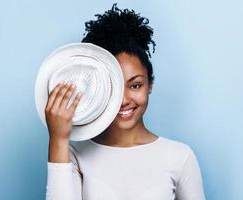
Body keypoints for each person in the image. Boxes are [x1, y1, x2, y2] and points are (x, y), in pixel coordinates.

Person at [45, 4, 205, 200]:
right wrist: (58, 139)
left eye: (135, 85)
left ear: (150, 85)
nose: (124, 100)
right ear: (99, 91)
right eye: (114, 88)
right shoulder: (74, 155)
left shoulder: (179, 157)